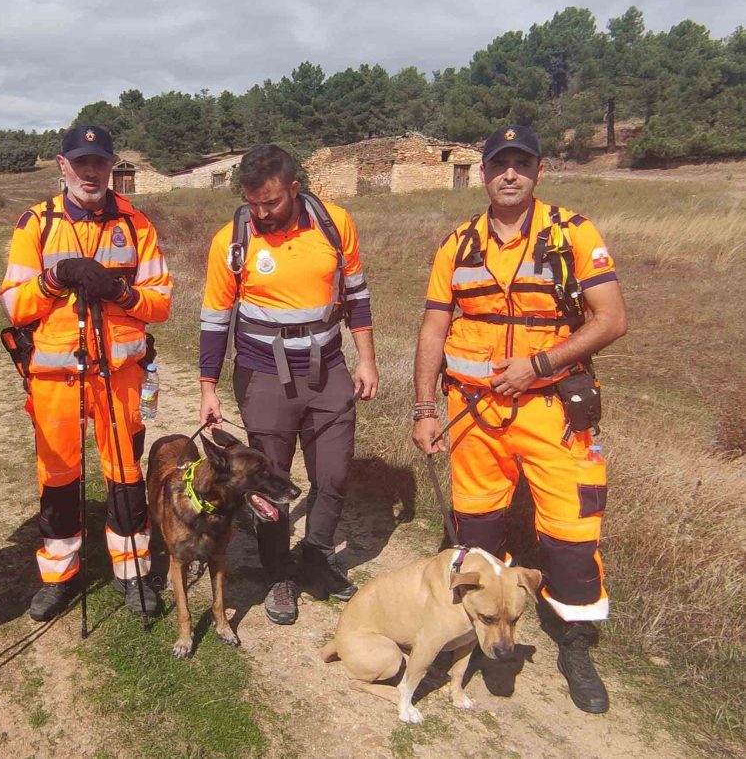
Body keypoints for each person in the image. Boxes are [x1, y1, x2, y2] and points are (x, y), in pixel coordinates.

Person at [411, 124, 627, 714]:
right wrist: (425, 408)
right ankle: (480, 634)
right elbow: (434, 326)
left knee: (572, 537)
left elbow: (610, 320)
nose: (510, 173)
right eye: (499, 163)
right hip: (473, 414)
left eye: (521, 163)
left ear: (538, 172)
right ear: (483, 173)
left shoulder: (572, 233)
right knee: (476, 534)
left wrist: (538, 364)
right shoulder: (457, 244)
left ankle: (575, 644)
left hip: (554, 409)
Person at [199, 144, 379, 626]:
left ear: (295, 189)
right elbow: (215, 319)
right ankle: (278, 571)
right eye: (252, 203)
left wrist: (366, 360)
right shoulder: (231, 241)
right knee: (269, 485)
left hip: (328, 370)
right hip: (262, 375)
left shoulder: (334, 224)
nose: (260, 213)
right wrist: (208, 386)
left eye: (271, 203)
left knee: (334, 476)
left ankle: (316, 558)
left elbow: (357, 295)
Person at [0, 125, 172, 621]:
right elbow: (15, 303)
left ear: (111, 165)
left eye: (100, 162)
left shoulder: (137, 224)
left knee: (125, 474)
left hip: (120, 375)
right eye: (81, 163)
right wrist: (56, 279)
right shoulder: (35, 224)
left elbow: (160, 303)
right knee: (58, 478)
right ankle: (59, 575)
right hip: (56, 378)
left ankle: (132, 571)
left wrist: (119, 293)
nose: (91, 172)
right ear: (62, 166)